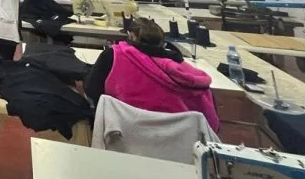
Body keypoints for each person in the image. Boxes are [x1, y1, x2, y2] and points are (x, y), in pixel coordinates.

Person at [84, 18, 219, 131]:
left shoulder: (113, 56)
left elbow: (91, 90)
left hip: (122, 133)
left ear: (131, 36)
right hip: (173, 140)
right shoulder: (182, 70)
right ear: (163, 43)